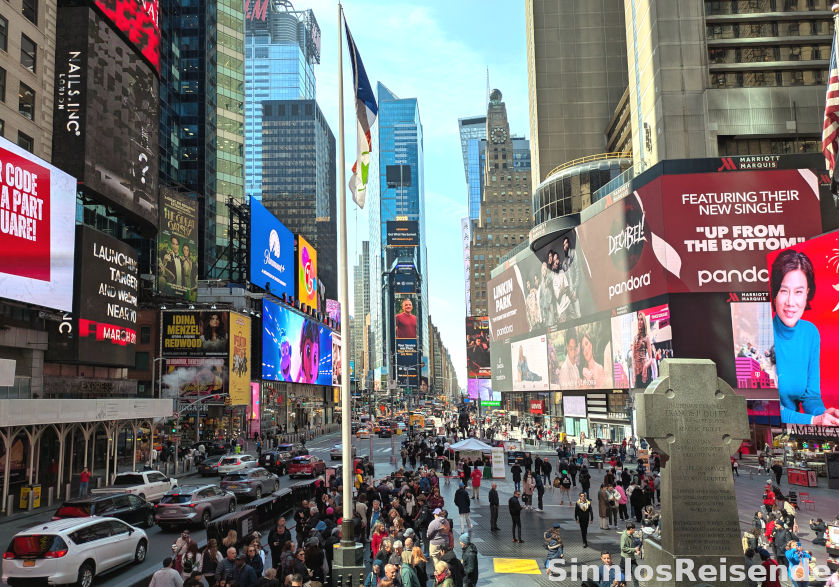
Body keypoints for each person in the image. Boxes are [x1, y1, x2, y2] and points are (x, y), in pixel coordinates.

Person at [770, 249, 839, 425]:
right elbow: (766, 409)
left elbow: (811, 397)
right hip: (768, 432)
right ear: (774, 291)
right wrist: (813, 420)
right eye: (784, 291)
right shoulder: (761, 334)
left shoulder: (810, 333)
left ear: (807, 292)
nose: (791, 302)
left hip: (796, 432)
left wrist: (823, 415)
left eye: (798, 292)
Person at [632, 312, 655, 387]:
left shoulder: (647, 337)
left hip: (644, 371)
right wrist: (633, 375)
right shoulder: (635, 338)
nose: (639, 321)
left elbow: (651, 358)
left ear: (644, 322)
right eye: (638, 319)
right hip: (637, 371)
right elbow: (633, 358)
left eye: (641, 319)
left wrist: (645, 367)